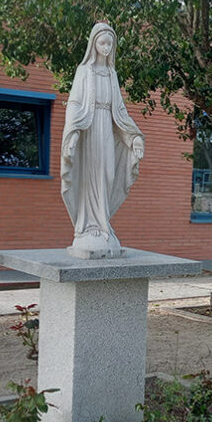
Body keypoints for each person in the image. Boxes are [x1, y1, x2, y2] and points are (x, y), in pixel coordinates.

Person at [61, 22, 145, 258]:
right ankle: (89, 226)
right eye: (102, 43)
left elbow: (119, 109)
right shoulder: (84, 72)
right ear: (93, 44)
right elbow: (75, 103)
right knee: (91, 176)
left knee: (108, 174)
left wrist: (134, 138)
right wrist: (73, 131)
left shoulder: (111, 73)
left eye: (110, 44)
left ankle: (103, 223)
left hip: (107, 129)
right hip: (89, 130)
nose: (106, 48)